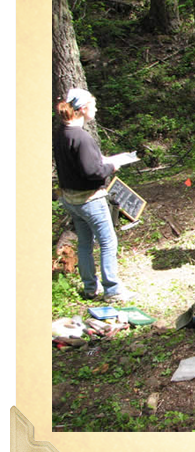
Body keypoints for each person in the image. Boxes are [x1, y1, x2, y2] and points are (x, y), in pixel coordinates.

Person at [53, 88, 136, 303]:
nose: (96, 109)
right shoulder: (80, 137)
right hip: (90, 200)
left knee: (84, 243)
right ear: (82, 109)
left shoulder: (61, 131)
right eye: (94, 105)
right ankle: (112, 290)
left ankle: (90, 287)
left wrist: (102, 160)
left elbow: (81, 163)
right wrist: (112, 166)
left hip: (71, 200)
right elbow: (93, 172)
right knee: (108, 242)